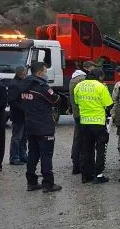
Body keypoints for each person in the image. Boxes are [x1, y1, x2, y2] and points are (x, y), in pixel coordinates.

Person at [19, 62, 62, 192]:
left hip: (30, 125)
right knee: (46, 155)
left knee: (33, 154)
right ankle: (48, 184)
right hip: (44, 126)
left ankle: (31, 182)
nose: (46, 74)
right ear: (39, 73)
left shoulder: (24, 85)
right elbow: (55, 100)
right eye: (45, 71)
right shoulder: (41, 87)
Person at [75, 68, 113, 184]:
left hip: (84, 122)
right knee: (100, 149)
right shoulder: (101, 86)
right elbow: (109, 104)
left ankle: (86, 175)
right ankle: (99, 175)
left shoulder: (79, 86)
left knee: (86, 149)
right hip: (98, 122)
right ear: (100, 76)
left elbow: (76, 102)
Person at [69, 61, 95, 174]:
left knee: (77, 138)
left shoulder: (74, 78)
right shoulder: (83, 79)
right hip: (84, 113)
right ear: (87, 68)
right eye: (92, 68)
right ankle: (81, 164)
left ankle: (76, 162)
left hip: (76, 113)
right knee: (84, 140)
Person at [7, 66, 29, 165]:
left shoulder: (21, 82)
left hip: (24, 115)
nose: (26, 74)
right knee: (17, 137)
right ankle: (14, 157)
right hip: (18, 115)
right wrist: (24, 108)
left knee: (24, 137)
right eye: (25, 72)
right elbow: (12, 101)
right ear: (21, 72)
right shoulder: (14, 84)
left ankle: (23, 155)